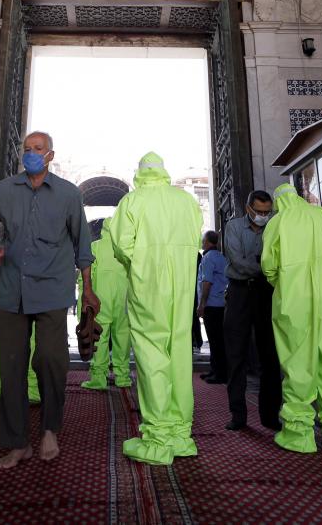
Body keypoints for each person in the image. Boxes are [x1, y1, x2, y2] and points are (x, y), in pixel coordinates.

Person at [0, 131, 99, 469]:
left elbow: (83, 246)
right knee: (12, 366)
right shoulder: (4, 191)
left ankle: (50, 428)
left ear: (50, 155)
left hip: (52, 290)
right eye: (27, 149)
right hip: (10, 291)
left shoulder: (68, 194)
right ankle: (18, 443)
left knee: (50, 359)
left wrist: (88, 289)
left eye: (38, 149)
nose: (31, 154)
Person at [111, 151, 203, 465]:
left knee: (152, 355)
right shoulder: (187, 202)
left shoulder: (132, 202)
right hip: (182, 284)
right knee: (179, 352)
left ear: (139, 173)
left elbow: (123, 247)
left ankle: (158, 438)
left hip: (148, 283)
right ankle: (180, 434)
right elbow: (195, 239)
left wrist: (140, 265)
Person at [262, 183, 322, 456]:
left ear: (280, 203)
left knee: (298, 364)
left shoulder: (278, 222)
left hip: (294, 301)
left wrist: (284, 283)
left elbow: (269, 265)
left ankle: (299, 434)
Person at [220, 190, 283, 431]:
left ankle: (270, 416)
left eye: (267, 212)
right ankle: (238, 415)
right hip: (239, 293)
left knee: (271, 355)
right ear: (248, 209)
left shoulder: (275, 226)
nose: (263, 216)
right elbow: (237, 261)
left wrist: (264, 269)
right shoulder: (234, 227)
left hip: (266, 294)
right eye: (259, 212)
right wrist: (266, 268)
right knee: (235, 355)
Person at [82, 215, 132, 390]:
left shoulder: (94, 247)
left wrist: (85, 297)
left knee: (99, 337)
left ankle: (98, 378)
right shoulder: (126, 248)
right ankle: (122, 376)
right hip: (124, 299)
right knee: (123, 336)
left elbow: (85, 275)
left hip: (100, 300)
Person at [0, 264, 39, 404]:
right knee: (33, 336)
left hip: (3, 282)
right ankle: (32, 388)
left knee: (4, 337)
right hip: (34, 283)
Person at [197, 231, 229, 384]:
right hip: (220, 304)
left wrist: (202, 304)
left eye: (203, 240)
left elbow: (207, 282)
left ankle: (220, 373)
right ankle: (214, 369)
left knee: (215, 340)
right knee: (217, 339)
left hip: (211, 304)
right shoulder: (221, 256)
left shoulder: (208, 258)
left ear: (208, 242)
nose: (202, 243)